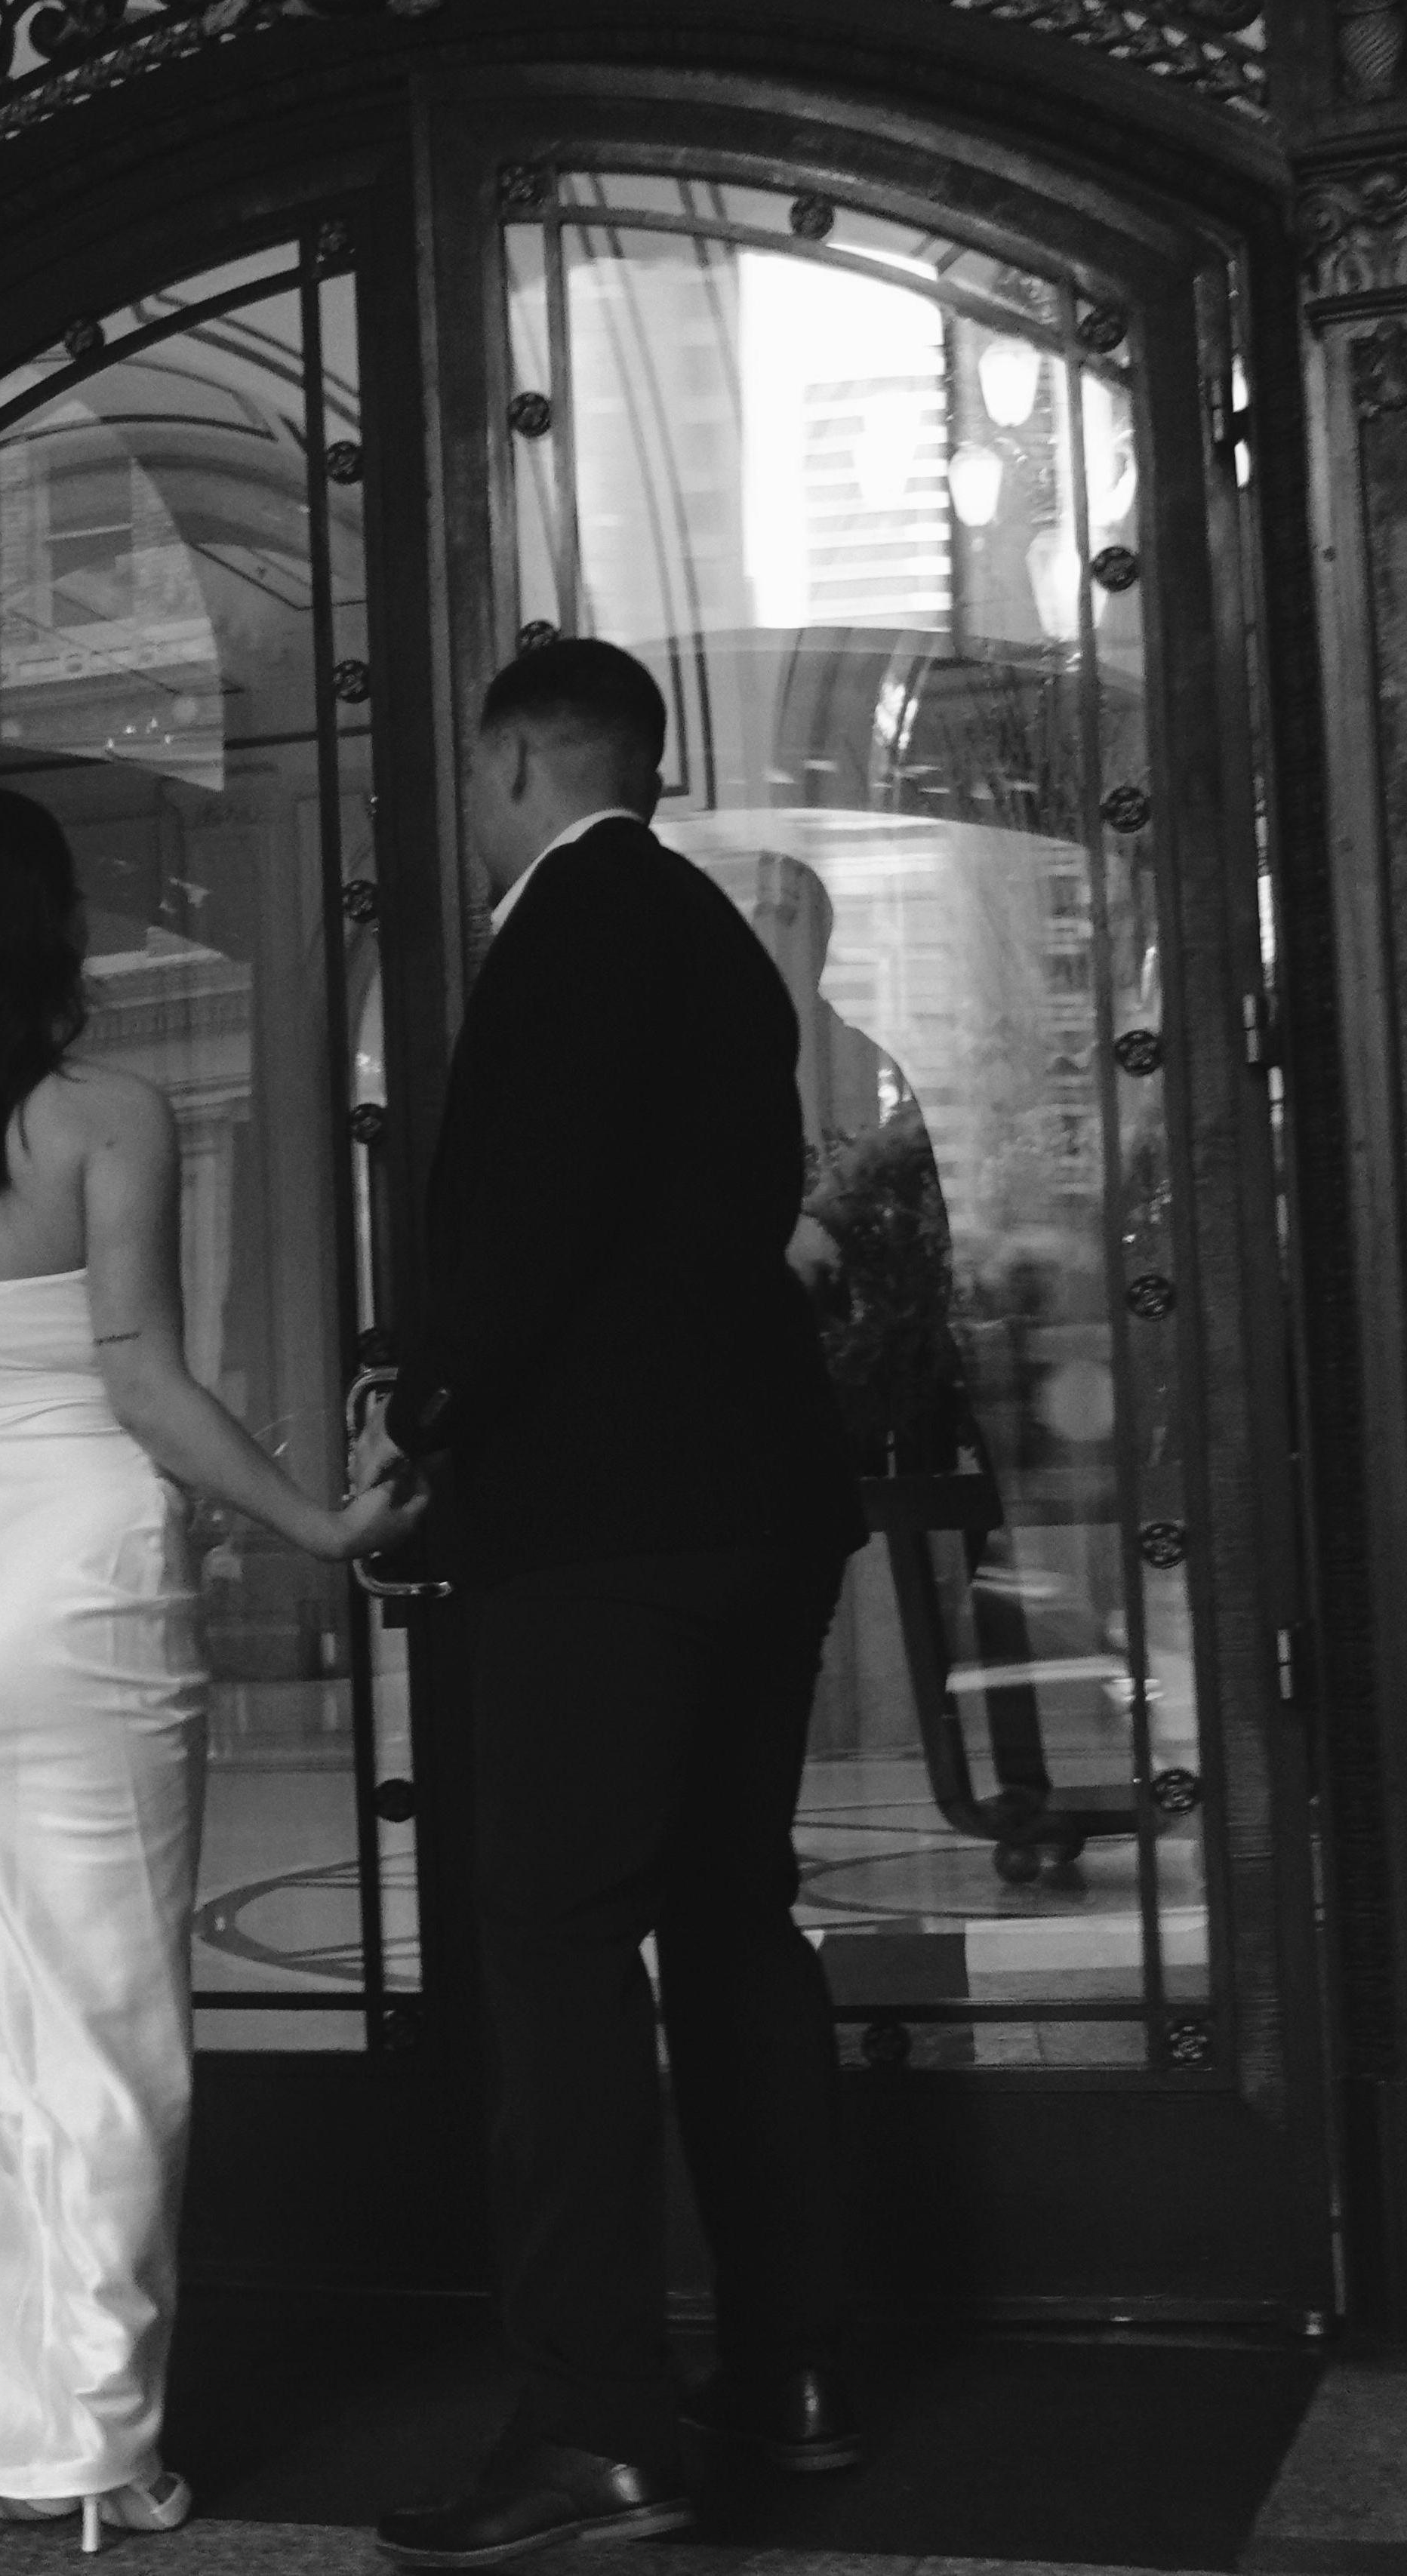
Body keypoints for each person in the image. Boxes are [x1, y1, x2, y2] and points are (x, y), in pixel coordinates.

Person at [0, 784, 426, 2549]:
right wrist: (313, 1519)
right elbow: (139, 1378)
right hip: (69, 1583)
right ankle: (93, 2436)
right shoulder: (103, 1117)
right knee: (103, 2008)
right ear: (43, 929)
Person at [354, 639, 868, 2568]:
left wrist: (421, 1404)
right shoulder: (714, 934)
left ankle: (591, 2425)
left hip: (606, 1525)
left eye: (471, 771)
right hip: (759, 1500)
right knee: (734, 1919)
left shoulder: (561, 931)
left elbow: (531, 1220)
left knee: (554, 1947)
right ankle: (790, 2365)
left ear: (511, 759)